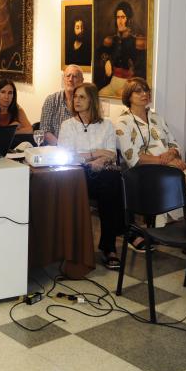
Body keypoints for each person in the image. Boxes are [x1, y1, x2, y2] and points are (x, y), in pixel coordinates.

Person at [115, 77, 186, 256]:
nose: (145, 94)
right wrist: (168, 161)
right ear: (128, 96)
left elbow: (175, 145)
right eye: (138, 91)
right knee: (184, 182)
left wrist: (171, 155)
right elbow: (134, 158)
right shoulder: (122, 122)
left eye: (146, 90)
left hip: (170, 166)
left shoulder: (157, 118)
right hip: (145, 171)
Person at [58, 82, 125, 270]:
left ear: (92, 101)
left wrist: (99, 160)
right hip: (75, 175)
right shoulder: (68, 125)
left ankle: (109, 247)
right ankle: (119, 238)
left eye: (82, 97)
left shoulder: (106, 125)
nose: (76, 100)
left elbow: (111, 153)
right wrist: (95, 154)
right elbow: (68, 155)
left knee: (111, 182)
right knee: (111, 184)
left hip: (100, 173)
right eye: (75, 97)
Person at [95, 1, 146, 98]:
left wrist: (128, 87)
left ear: (129, 19)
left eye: (123, 17)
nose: (120, 21)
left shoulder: (137, 41)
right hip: (113, 81)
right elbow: (99, 55)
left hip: (129, 85)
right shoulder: (111, 40)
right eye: (118, 17)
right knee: (100, 95)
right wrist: (106, 61)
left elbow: (142, 71)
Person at [40, 65, 84, 144]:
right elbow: (45, 130)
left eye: (75, 76)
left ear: (82, 80)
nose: (70, 79)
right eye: (68, 76)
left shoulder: (86, 102)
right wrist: (61, 147)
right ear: (63, 79)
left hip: (79, 149)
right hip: (54, 149)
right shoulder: (51, 100)